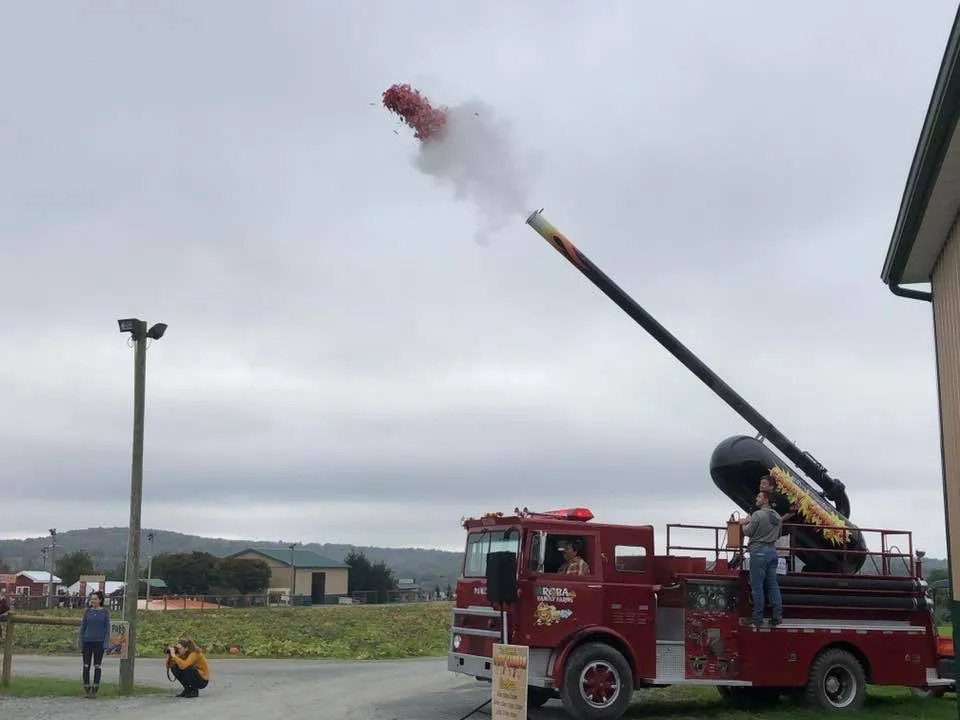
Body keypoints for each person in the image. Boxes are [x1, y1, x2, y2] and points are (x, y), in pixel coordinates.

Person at [738, 490, 783, 626]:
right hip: (772, 551)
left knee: (757, 587)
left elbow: (748, 532)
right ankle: (777, 616)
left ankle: (757, 617)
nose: (756, 499)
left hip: (758, 552)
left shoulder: (757, 515)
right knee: (773, 585)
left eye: (759, 497)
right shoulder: (778, 517)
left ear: (766, 500)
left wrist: (743, 522)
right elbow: (779, 534)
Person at [78, 590, 109, 697]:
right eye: (92, 599)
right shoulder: (87, 611)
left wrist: (105, 643)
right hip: (87, 641)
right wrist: (81, 642)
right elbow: (83, 627)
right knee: (86, 665)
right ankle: (87, 688)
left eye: (95, 599)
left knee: (97, 665)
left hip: (99, 642)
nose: (93, 601)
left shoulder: (105, 612)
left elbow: (107, 628)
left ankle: (95, 688)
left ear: (100, 600)